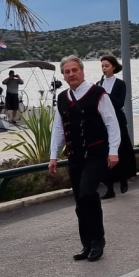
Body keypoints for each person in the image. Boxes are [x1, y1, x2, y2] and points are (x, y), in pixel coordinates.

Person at [48, 56, 120, 262]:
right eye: (67, 72)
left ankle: (98, 241)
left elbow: (111, 123)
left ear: (82, 71)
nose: (71, 74)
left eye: (74, 70)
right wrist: (53, 155)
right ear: (63, 75)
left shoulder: (98, 93)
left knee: (88, 193)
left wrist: (113, 151)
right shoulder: (62, 98)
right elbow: (58, 128)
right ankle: (86, 243)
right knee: (80, 200)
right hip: (75, 156)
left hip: (96, 154)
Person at [97, 54, 136, 199]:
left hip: (118, 120)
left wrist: (105, 94)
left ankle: (123, 178)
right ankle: (109, 188)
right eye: (102, 66)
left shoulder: (120, 84)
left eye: (106, 66)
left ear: (113, 67)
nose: (104, 68)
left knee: (121, 150)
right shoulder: (98, 83)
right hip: (103, 122)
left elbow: (119, 103)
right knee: (106, 152)